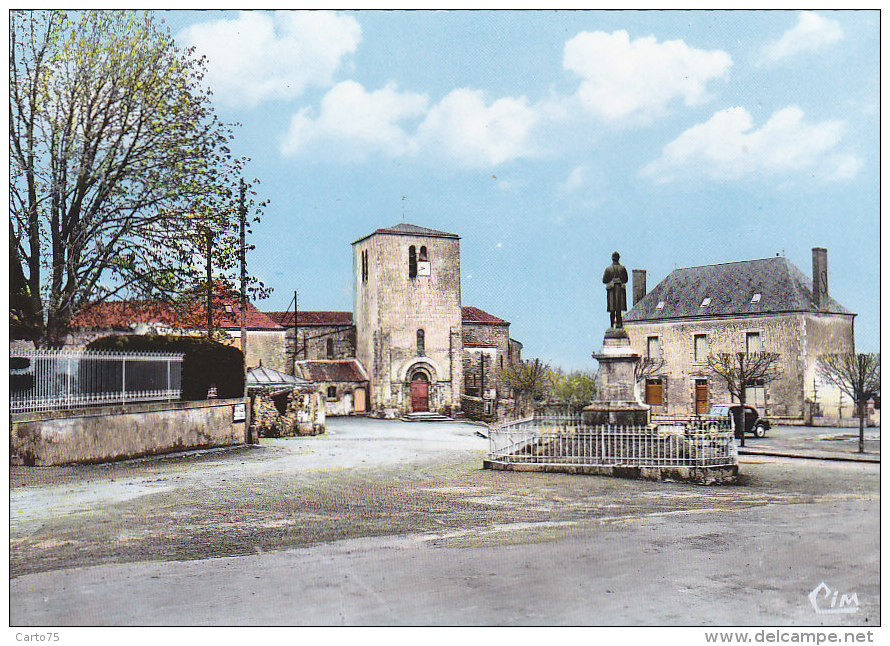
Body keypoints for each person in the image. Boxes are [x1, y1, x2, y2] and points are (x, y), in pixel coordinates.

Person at [602, 251, 628, 328]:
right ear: (618, 258)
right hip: (619, 290)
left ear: (612, 259)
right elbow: (626, 279)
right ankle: (618, 324)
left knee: (612, 309)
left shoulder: (608, 269)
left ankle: (612, 324)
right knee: (618, 310)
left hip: (612, 291)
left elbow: (604, 280)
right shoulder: (622, 268)